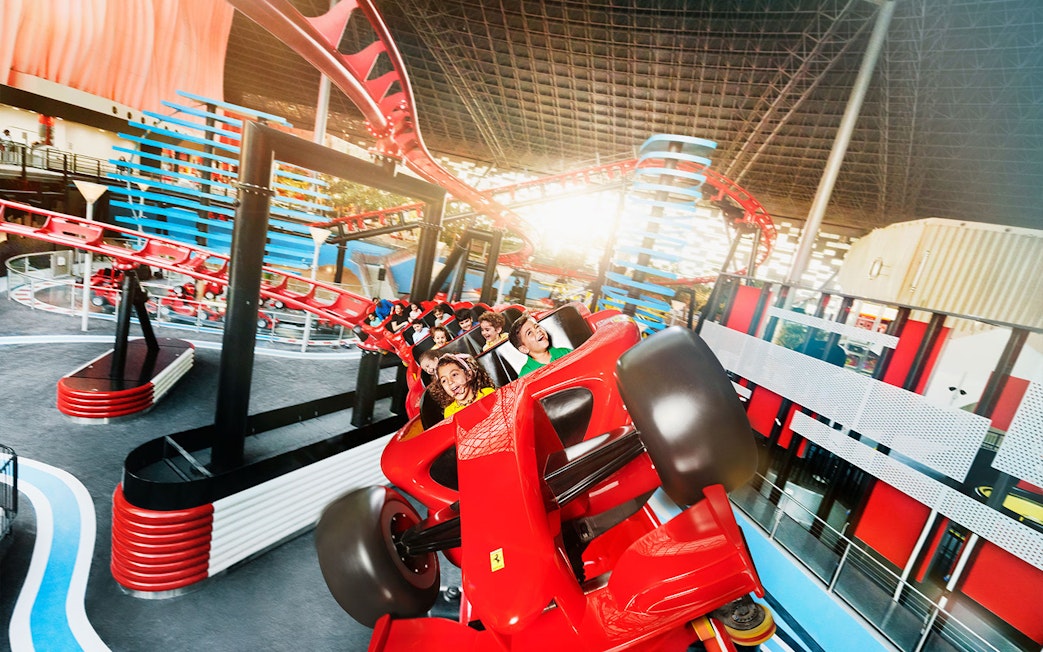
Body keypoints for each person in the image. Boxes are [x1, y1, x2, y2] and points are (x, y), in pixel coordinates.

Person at [428, 353, 495, 419]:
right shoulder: (449, 412)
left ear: (468, 375)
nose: (450, 382)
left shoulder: (487, 393)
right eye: (444, 381)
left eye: (454, 375)